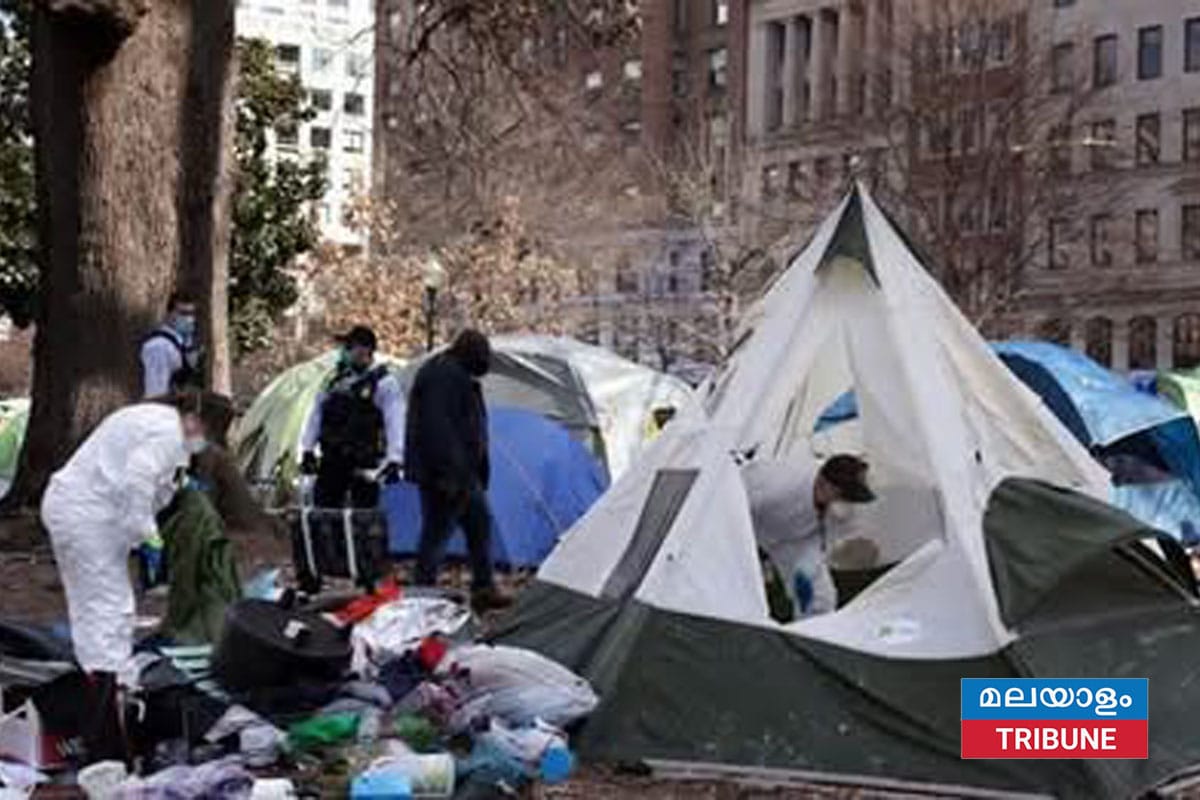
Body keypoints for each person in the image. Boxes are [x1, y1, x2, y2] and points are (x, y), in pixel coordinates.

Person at [40, 392, 209, 762]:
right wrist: (147, 533)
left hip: (84, 514)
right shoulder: (167, 432)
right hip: (87, 518)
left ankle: (108, 702)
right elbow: (138, 478)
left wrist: (165, 501)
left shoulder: (155, 423)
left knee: (97, 614)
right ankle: (109, 726)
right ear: (193, 421)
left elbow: (148, 483)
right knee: (109, 611)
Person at [405, 329, 509, 612]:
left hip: (463, 474)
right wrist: (449, 473)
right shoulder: (443, 376)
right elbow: (438, 429)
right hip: (447, 475)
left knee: (479, 524)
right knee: (436, 534)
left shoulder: (451, 373)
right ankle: (421, 595)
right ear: (471, 353)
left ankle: (484, 587)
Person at [741, 452, 875, 619]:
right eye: (841, 495)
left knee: (819, 596)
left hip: (796, 535)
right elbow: (729, 507)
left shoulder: (833, 507)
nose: (845, 502)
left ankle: (805, 637)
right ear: (825, 485)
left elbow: (829, 541)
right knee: (738, 585)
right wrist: (748, 553)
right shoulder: (774, 485)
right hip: (741, 521)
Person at [300, 326, 405, 509]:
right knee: (325, 511)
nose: (345, 352)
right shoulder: (335, 381)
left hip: (364, 461)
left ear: (366, 349)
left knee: (363, 515)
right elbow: (316, 415)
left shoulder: (383, 383)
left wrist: (394, 458)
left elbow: (395, 421)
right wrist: (308, 449)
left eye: (350, 346)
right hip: (332, 458)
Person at [140, 293, 204, 398]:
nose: (190, 319)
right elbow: (156, 394)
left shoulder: (182, 344)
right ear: (169, 315)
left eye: (192, 314)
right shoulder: (159, 346)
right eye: (183, 313)